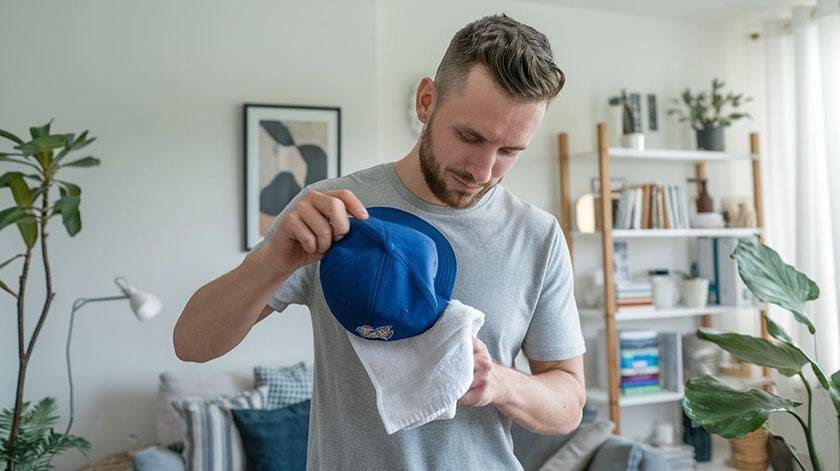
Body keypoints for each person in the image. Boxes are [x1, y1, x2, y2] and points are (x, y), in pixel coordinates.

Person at [174, 13, 586, 470]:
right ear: (427, 101)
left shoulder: (537, 235)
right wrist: (274, 260)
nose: (483, 171)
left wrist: (500, 384)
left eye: (510, 151)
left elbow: (568, 403)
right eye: (470, 137)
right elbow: (192, 343)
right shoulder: (331, 210)